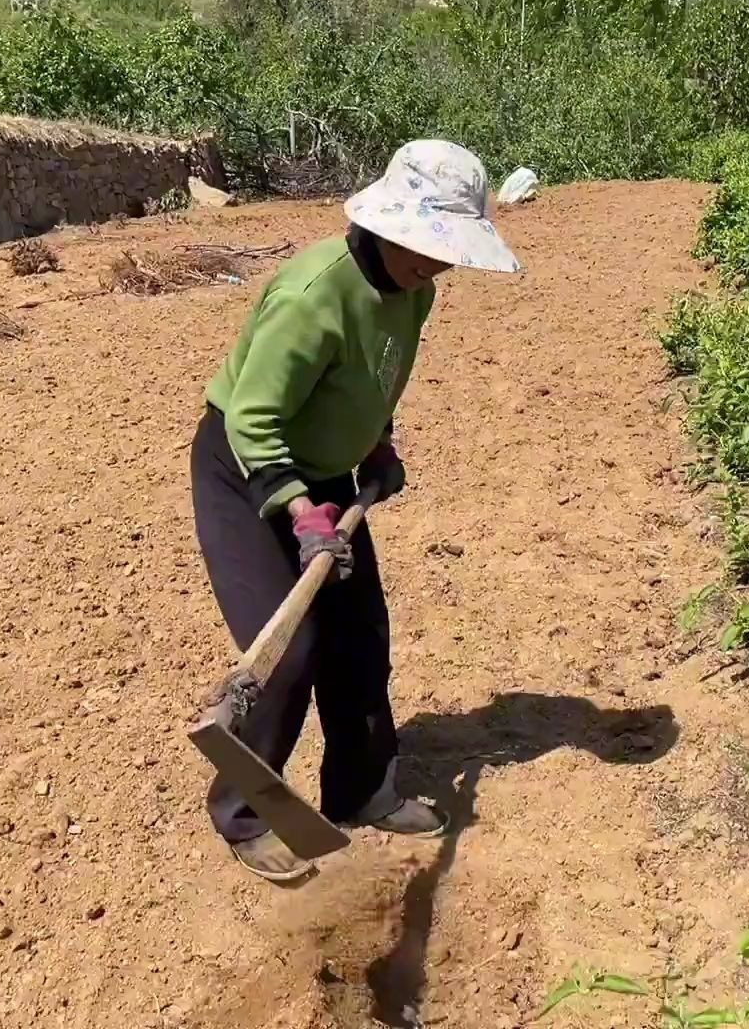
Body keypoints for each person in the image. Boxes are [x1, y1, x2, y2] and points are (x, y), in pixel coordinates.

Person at [190, 140, 522, 881]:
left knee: (360, 635)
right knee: (288, 651)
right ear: (389, 227)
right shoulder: (314, 295)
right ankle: (245, 818)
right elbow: (253, 419)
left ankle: (362, 789)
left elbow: (380, 375)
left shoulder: (415, 289)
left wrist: (375, 444)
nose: (438, 267)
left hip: (329, 470)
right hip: (245, 468)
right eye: (429, 249)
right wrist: (301, 512)